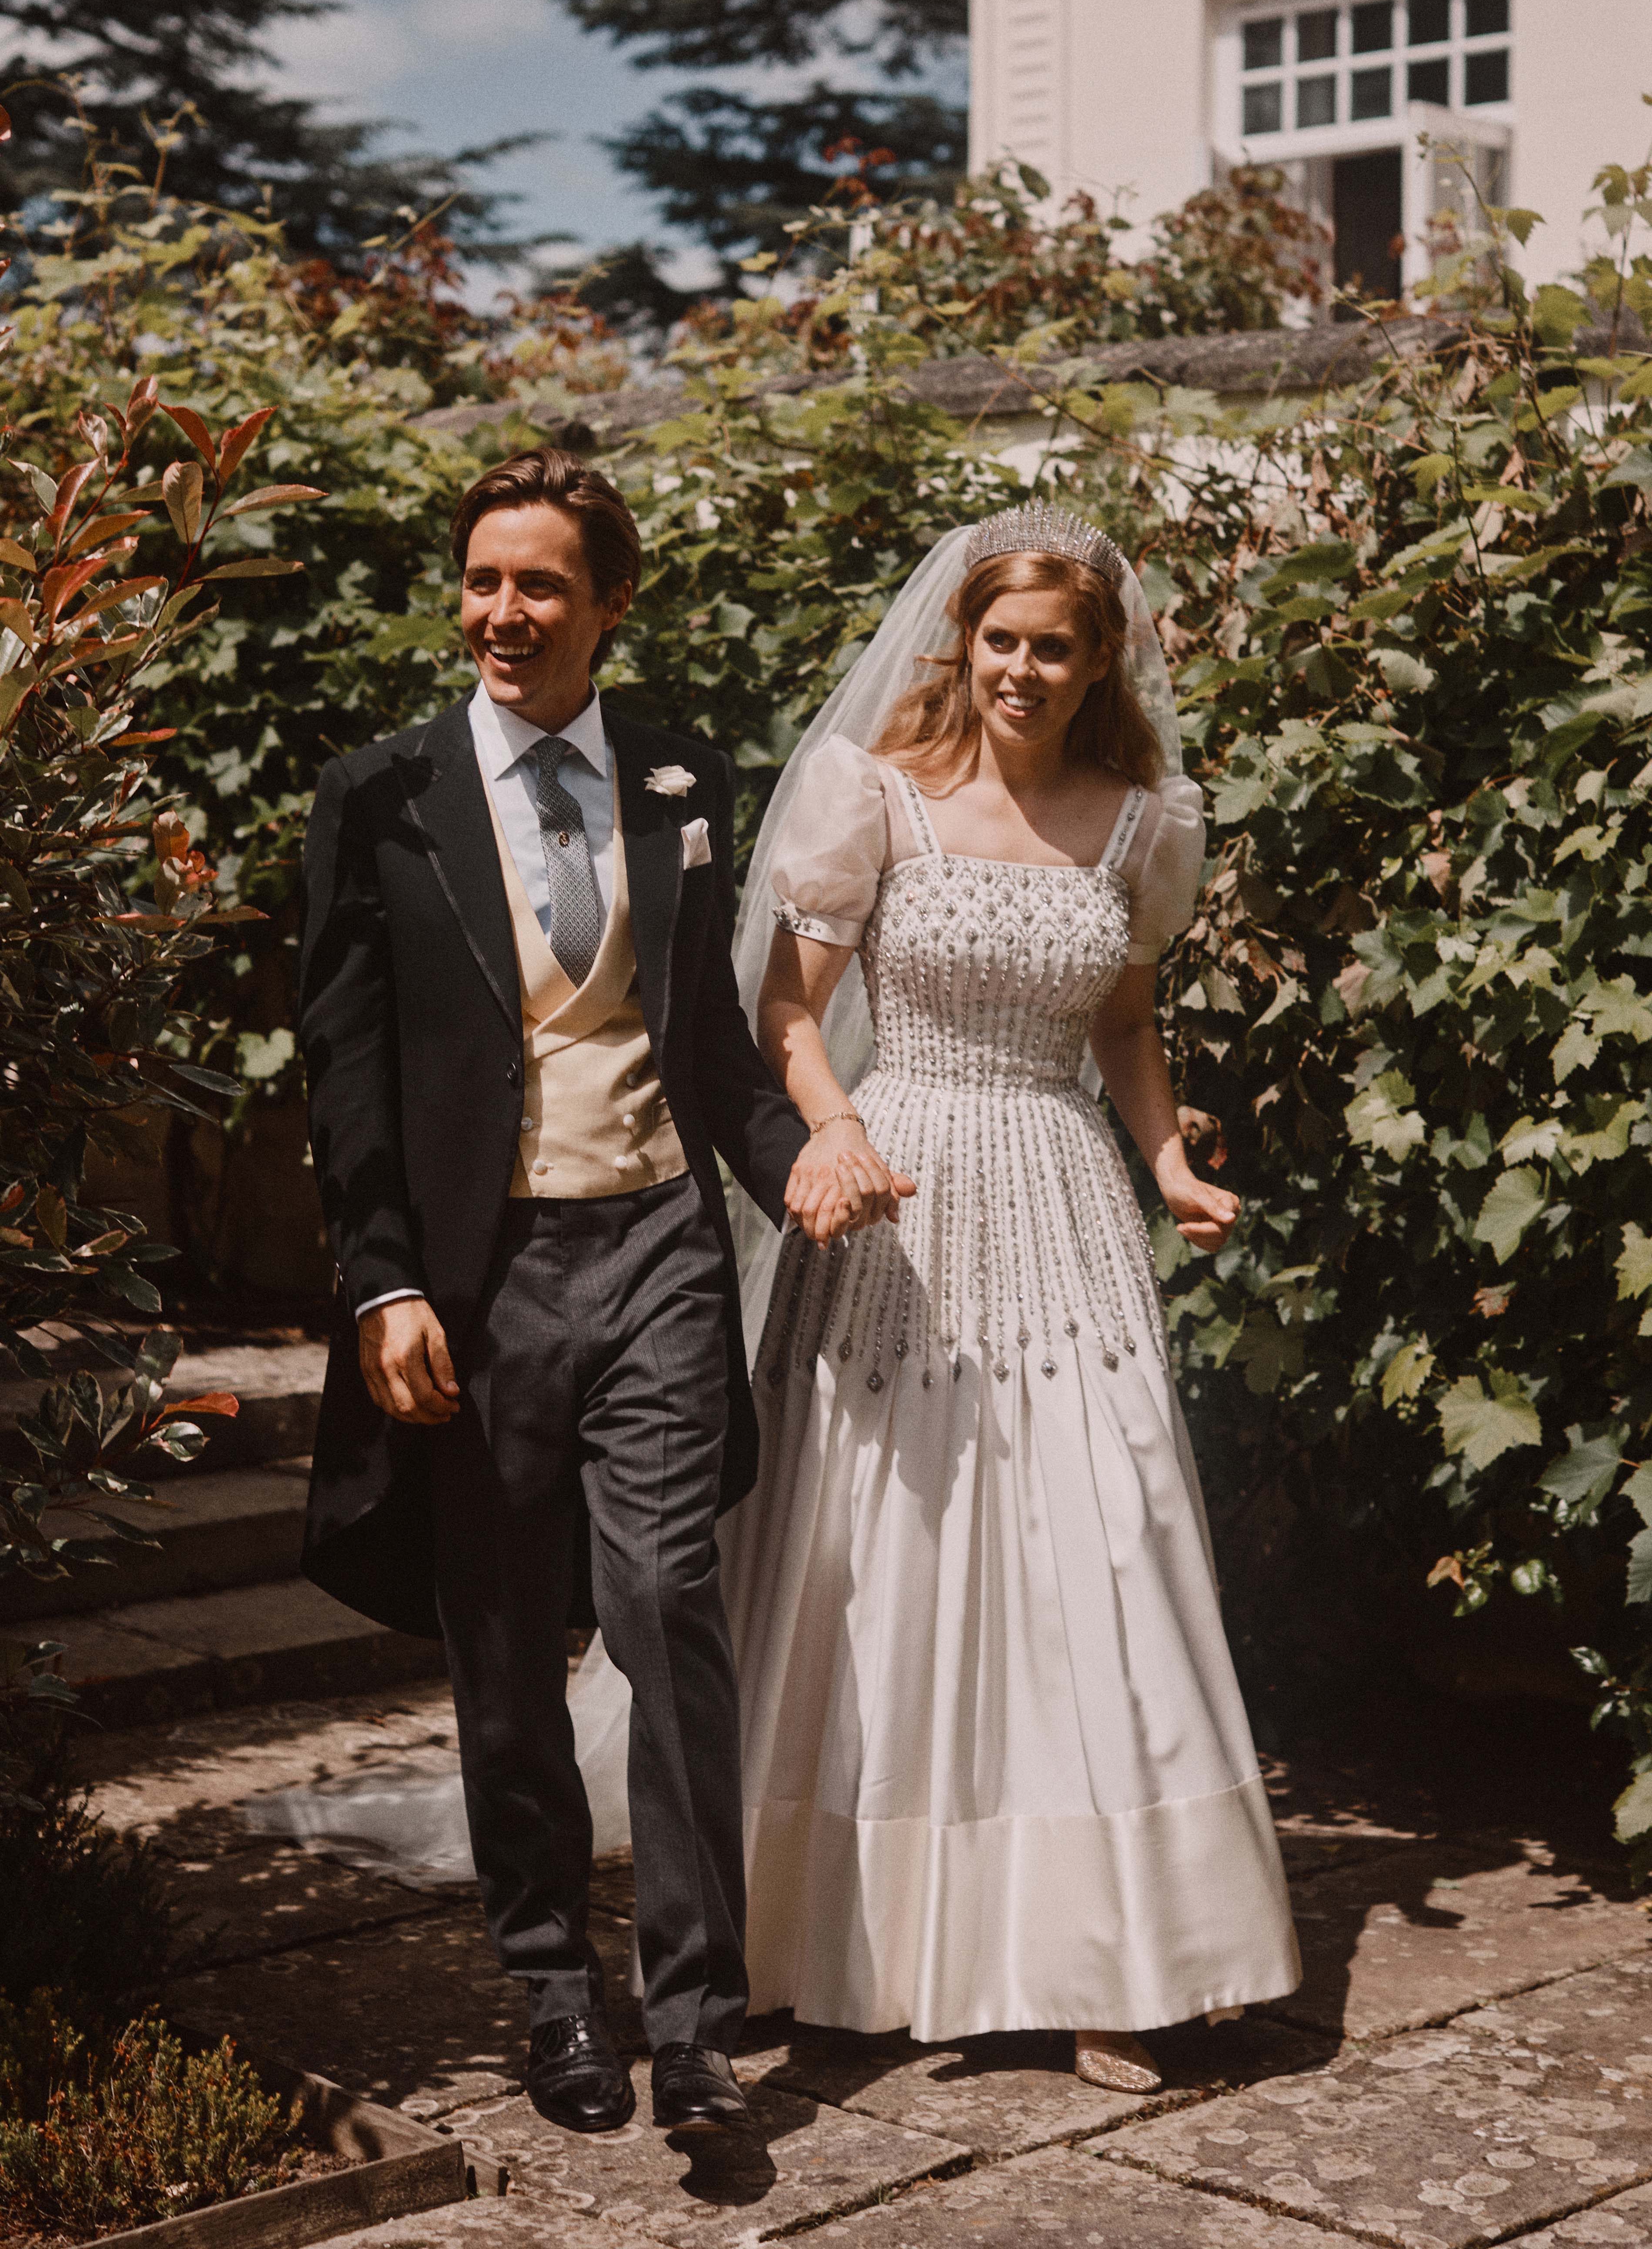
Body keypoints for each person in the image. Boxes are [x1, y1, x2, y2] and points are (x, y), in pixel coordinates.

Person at [295, 446, 899, 2141]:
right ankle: (555, 1994)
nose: (502, 612)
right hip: (481, 1283)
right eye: (482, 580)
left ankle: (696, 2019)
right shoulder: (382, 794)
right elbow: (342, 1068)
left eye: (539, 583)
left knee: (666, 1618)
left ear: (607, 603)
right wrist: (382, 1281)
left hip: (653, 1251)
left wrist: (795, 1150)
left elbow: (704, 1044)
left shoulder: (679, 772)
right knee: (500, 1644)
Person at [716, 499, 1302, 2089]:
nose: (1024, 671)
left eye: (1056, 646)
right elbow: (786, 1009)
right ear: (959, 643)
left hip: (1062, 1195)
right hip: (900, 1196)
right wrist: (836, 1132)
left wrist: (1167, 1157)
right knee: (879, 1550)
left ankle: (1116, 1955)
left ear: (1101, 655)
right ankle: (807, 1935)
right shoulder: (875, 797)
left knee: (1099, 1547)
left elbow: (1123, 1023)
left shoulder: (1140, 822)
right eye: (1000, 642)